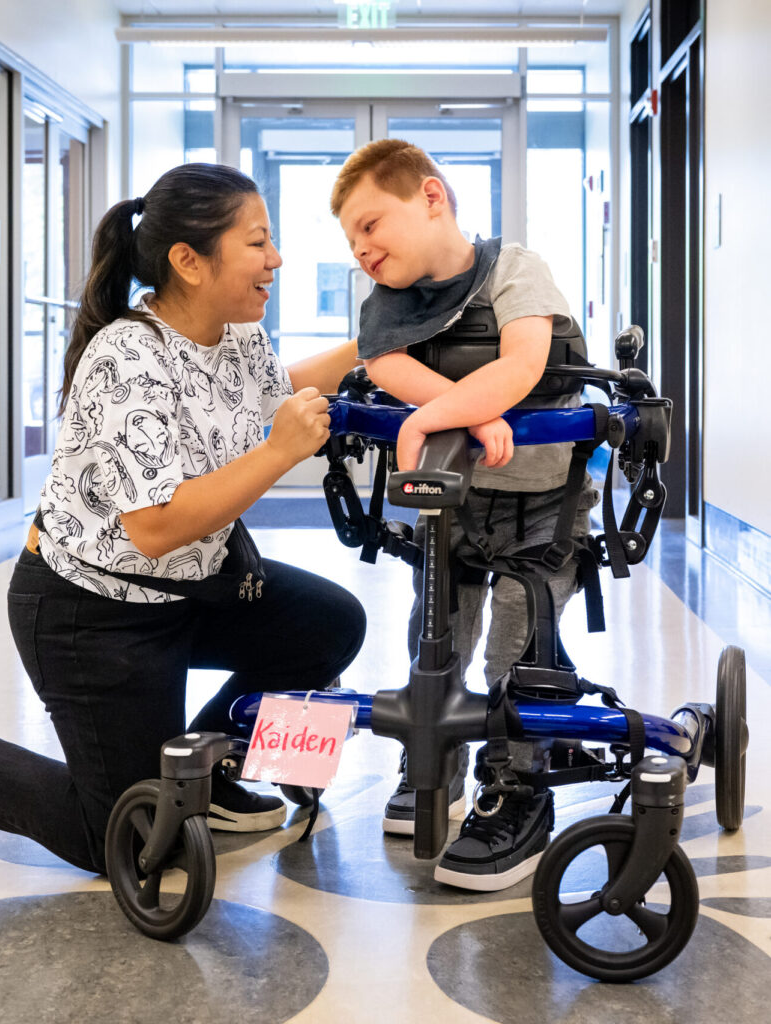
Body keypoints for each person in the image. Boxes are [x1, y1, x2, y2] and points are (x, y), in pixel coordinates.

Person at [0, 163, 366, 874]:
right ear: (188, 261)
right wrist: (278, 453)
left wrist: (378, 346)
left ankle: (207, 775)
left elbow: (281, 386)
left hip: (194, 589)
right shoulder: (125, 357)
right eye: (258, 243)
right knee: (128, 841)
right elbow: (156, 526)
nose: (277, 259)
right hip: (92, 612)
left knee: (332, 625)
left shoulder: (236, 337)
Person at [331, 139, 599, 892]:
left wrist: (438, 415)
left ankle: (517, 786)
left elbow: (524, 365)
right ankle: (433, 763)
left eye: (371, 225)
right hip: (456, 499)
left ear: (431, 198)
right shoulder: (388, 305)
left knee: (514, 637)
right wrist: (463, 413)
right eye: (351, 241)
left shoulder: (516, 268)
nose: (362, 250)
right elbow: (386, 367)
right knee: (436, 628)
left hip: (543, 496)